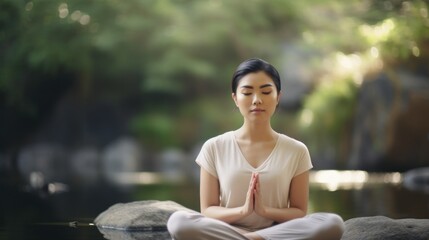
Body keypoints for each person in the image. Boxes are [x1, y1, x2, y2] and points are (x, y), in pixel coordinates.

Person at [167, 58, 345, 240]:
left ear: (278, 98)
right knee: (179, 221)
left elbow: (299, 212)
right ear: (235, 98)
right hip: (230, 230)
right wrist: (242, 211)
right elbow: (208, 210)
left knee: (332, 223)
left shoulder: (296, 150)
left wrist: (265, 211)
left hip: (275, 231)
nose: (257, 100)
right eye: (247, 92)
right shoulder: (214, 147)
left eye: (266, 92)